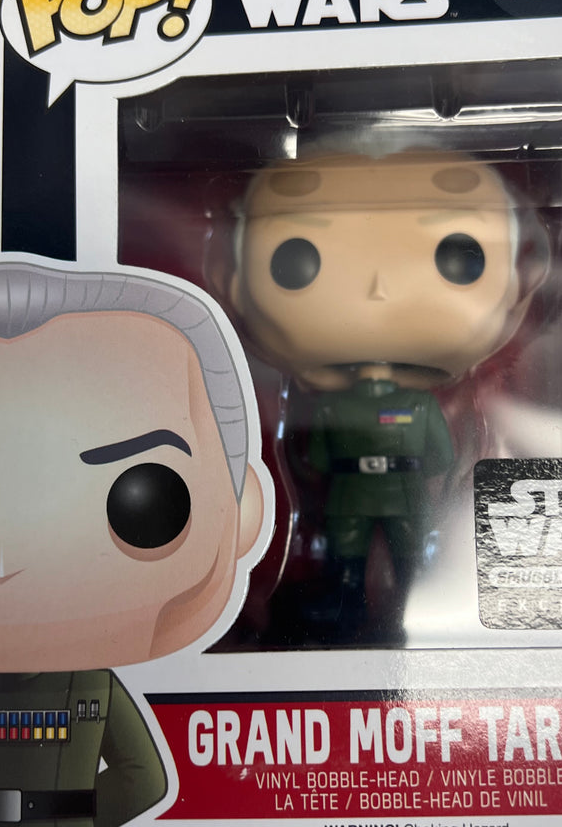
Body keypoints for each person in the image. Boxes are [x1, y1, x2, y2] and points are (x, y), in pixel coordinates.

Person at [0, 262, 269, 827]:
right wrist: (66, 825)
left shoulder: (72, 678)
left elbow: (145, 779)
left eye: (144, 500)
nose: (5, 560)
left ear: (241, 512)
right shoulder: (88, 679)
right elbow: (143, 779)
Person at [230, 150, 537, 643]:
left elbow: (320, 459)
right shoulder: (409, 404)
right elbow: (437, 456)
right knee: (367, 560)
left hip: (369, 494)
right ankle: (370, 609)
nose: (379, 289)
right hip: (387, 493)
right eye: (297, 260)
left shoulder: (361, 405)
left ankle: (393, 609)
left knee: (388, 560)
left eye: (459, 258)